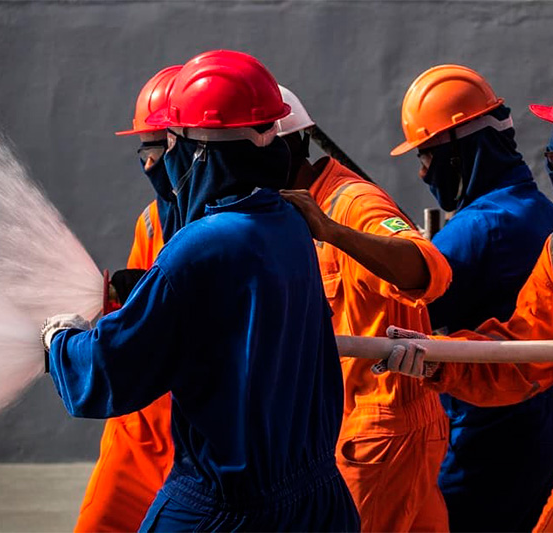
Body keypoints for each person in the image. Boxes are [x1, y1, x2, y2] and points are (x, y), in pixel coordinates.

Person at [42, 50, 359, 531]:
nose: (161, 163)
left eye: (169, 147)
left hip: (227, 506)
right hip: (317, 502)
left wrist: (59, 341)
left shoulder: (201, 245)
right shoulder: (288, 221)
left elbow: (111, 370)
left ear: (198, 151)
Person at [385, 70, 553, 533]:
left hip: (495, 439)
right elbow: (521, 352)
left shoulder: (485, 226)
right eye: (552, 157)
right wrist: (435, 361)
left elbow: (401, 299)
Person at [280, 88, 453, 530]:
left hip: (378, 434)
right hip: (370, 432)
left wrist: (332, 231)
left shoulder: (351, 203)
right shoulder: (300, 211)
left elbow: (428, 268)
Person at [73, 65, 180, 532]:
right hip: (140, 435)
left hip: (210, 446)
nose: (147, 163)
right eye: (143, 149)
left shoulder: (243, 225)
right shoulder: (152, 222)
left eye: (154, 148)